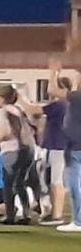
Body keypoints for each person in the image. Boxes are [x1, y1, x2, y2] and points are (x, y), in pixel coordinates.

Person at [19, 77, 71, 225]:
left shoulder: (60, 104)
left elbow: (33, 110)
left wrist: (21, 99)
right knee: (46, 179)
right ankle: (50, 210)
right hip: (54, 147)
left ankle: (56, 215)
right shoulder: (64, 105)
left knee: (55, 181)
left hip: (57, 147)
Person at [0, 85, 36, 226]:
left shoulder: (5, 111)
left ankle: (10, 215)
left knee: (8, 185)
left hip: (12, 150)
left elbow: (7, 133)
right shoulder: (19, 110)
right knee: (20, 183)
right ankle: (26, 213)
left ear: (2, 97)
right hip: (28, 149)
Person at [50, 60, 81, 233]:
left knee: (75, 185)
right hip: (75, 145)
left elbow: (53, 91)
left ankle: (79, 221)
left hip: (76, 146)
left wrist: (53, 73)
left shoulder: (77, 97)